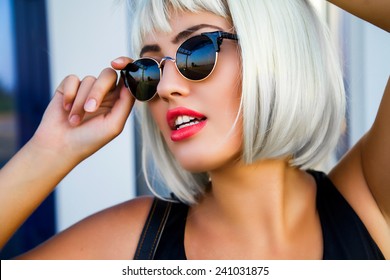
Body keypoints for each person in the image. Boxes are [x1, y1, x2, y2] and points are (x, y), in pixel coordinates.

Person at [0, 0, 389, 260]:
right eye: (147, 69)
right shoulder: (130, 243)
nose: (166, 87)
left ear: (274, 50)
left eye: (197, 51)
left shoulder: (371, 202)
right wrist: (50, 151)